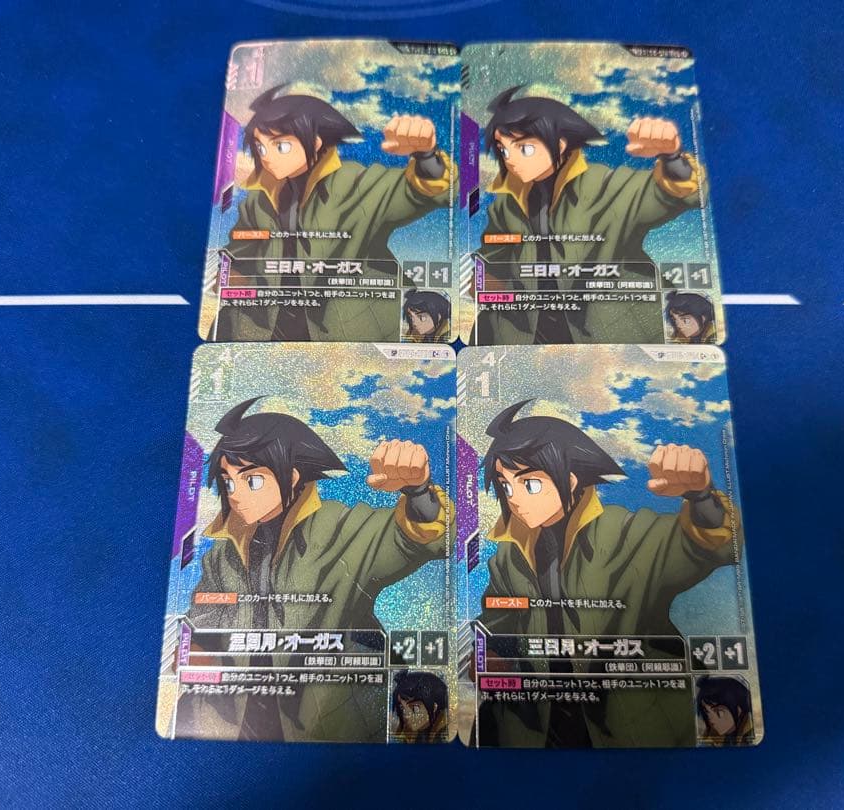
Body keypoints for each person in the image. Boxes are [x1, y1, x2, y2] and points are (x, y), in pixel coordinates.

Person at [175, 397, 454, 742]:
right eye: (228, 482)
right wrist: (197, 654)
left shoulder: (338, 529)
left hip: (325, 723)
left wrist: (419, 491)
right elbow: (203, 619)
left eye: (252, 481)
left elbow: (416, 539)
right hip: (236, 719)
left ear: (292, 476)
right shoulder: (223, 553)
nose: (235, 495)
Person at [474, 400, 739, 747]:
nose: (514, 500)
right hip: (541, 723)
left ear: (571, 480)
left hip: (630, 724)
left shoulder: (625, 533)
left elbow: (703, 546)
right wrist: (490, 653)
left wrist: (701, 496)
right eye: (505, 486)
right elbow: (498, 620)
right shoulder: (510, 554)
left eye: (530, 484)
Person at [212, 85, 452, 342]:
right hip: (272, 327)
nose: (267, 157)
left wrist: (427, 157)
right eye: (260, 148)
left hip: (349, 328)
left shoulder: (352, 183)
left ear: (316, 142)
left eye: (281, 146)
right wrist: (232, 275)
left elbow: (414, 193)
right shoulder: (259, 200)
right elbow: (240, 250)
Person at [474, 86, 704, 344]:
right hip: (534, 332)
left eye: (525, 149)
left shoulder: (603, 185)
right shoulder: (507, 203)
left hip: (609, 331)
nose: (511, 160)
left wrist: (673, 159)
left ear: (560, 145)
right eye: (503, 150)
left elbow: (665, 195)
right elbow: (493, 256)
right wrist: (485, 282)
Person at [696, 676, 755, 745]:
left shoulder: (751, 735)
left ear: (739, 710)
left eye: (718, 712)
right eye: (707, 712)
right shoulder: (710, 741)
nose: (710, 719)